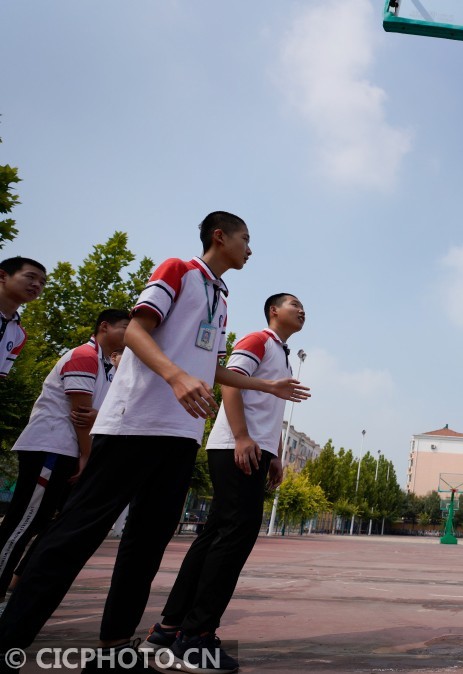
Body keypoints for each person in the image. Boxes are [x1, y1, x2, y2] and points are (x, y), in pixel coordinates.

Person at [0, 211, 310, 672]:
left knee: (145, 548)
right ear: (219, 237)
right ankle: (10, 640)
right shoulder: (177, 270)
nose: (250, 248)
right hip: (133, 424)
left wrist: (268, 387)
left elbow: (210, 367)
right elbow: (137, 331)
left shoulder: (220, 297)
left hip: (180, 435)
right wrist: (175, 376)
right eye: (246, 239)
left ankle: (115, 652)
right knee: (73, 537)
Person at [140, 292, 307, 671]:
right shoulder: (257, 340)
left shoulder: (280, 353)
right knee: (235, 534)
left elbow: (271, 409)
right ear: (273, 311)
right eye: (294, 304)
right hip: (236, 445)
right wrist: (243, 437)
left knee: (217, 533)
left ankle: (169, 629)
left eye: (304, 308)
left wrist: (275, 452)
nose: (301, 311)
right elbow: (230, 384)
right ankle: (196, 637)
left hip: (254, 447)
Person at [0, 309, 130, 606]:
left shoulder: (109, 367)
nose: (130, 335)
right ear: (104, 326)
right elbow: (81, 417)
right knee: (24, 521)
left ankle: (18, 587)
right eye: (126, 327)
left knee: (51, 525)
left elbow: (107, 414)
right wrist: (86, 456)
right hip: (52, 448)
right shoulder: (84, 356)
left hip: (72, 452)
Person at [0, 257, 46, 378]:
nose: (37, 285)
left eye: (42, 282)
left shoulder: (19, 335)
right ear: (2, 276)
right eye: (30, 277)